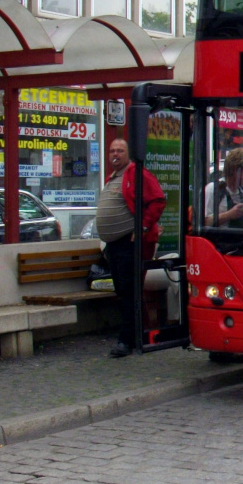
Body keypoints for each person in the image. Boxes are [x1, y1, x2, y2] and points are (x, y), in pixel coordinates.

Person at [95, 138, 166, 357]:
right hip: (115, 244)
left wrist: (143, 227)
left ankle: (127, 340)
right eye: (112, 150)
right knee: (123, 289)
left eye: (120, 150)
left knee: (128, 289)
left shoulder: (137, 173)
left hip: (131, 242)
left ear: (128, 154)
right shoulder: (112, 177)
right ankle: (138, 334)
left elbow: (158, 200)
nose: (115, 154)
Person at [204, 148, 243, 229]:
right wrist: (229, 214)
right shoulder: (213, 189)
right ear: (235, 170)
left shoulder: (241, 192)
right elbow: (205, 222)